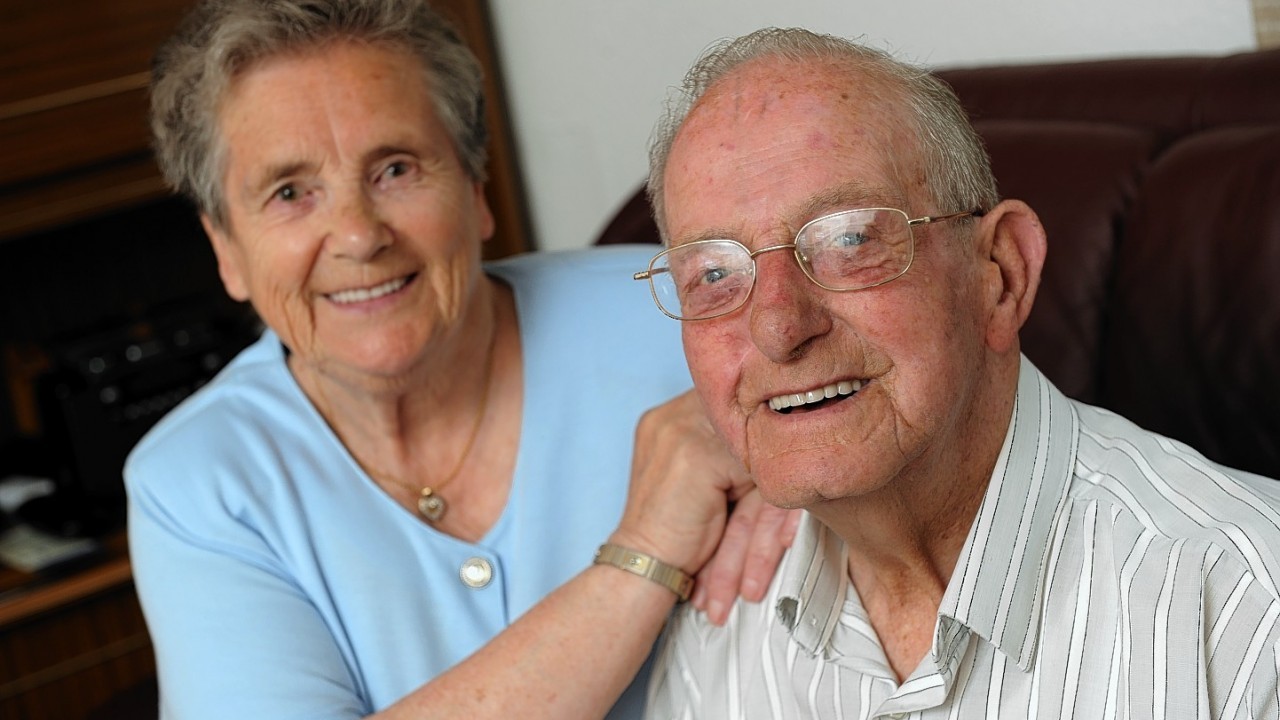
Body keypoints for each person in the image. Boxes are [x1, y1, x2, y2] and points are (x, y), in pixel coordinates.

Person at [125, 2, 795, 718]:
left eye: (395, 169)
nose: (357, 235)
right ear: (227, 248)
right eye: (290, 192)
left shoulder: (691, 319)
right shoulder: (198, 483)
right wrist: (643, 558)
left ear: (475, 190)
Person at [633, 27, 1280, 718]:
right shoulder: (718, 607)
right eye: (713, 275)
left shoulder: (1246, 610)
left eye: (849, 239)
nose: (779, 327)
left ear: (1000, 274)